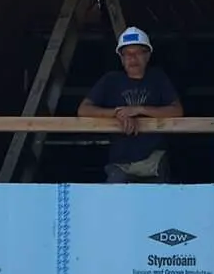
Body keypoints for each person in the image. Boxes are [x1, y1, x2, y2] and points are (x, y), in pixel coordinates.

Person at [76, 26, 184, 184]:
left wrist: (139, 110)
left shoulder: (158, 78)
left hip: (154, 159)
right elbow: (83, 109)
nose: (132, 59)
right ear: (121, 57)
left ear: (148, 55)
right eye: (127, 54)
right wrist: (118, 113)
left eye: (138, 53)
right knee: (115, 203)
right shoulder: (111, 80)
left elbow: (177, 110)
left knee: (158, 204)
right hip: (120, 163)